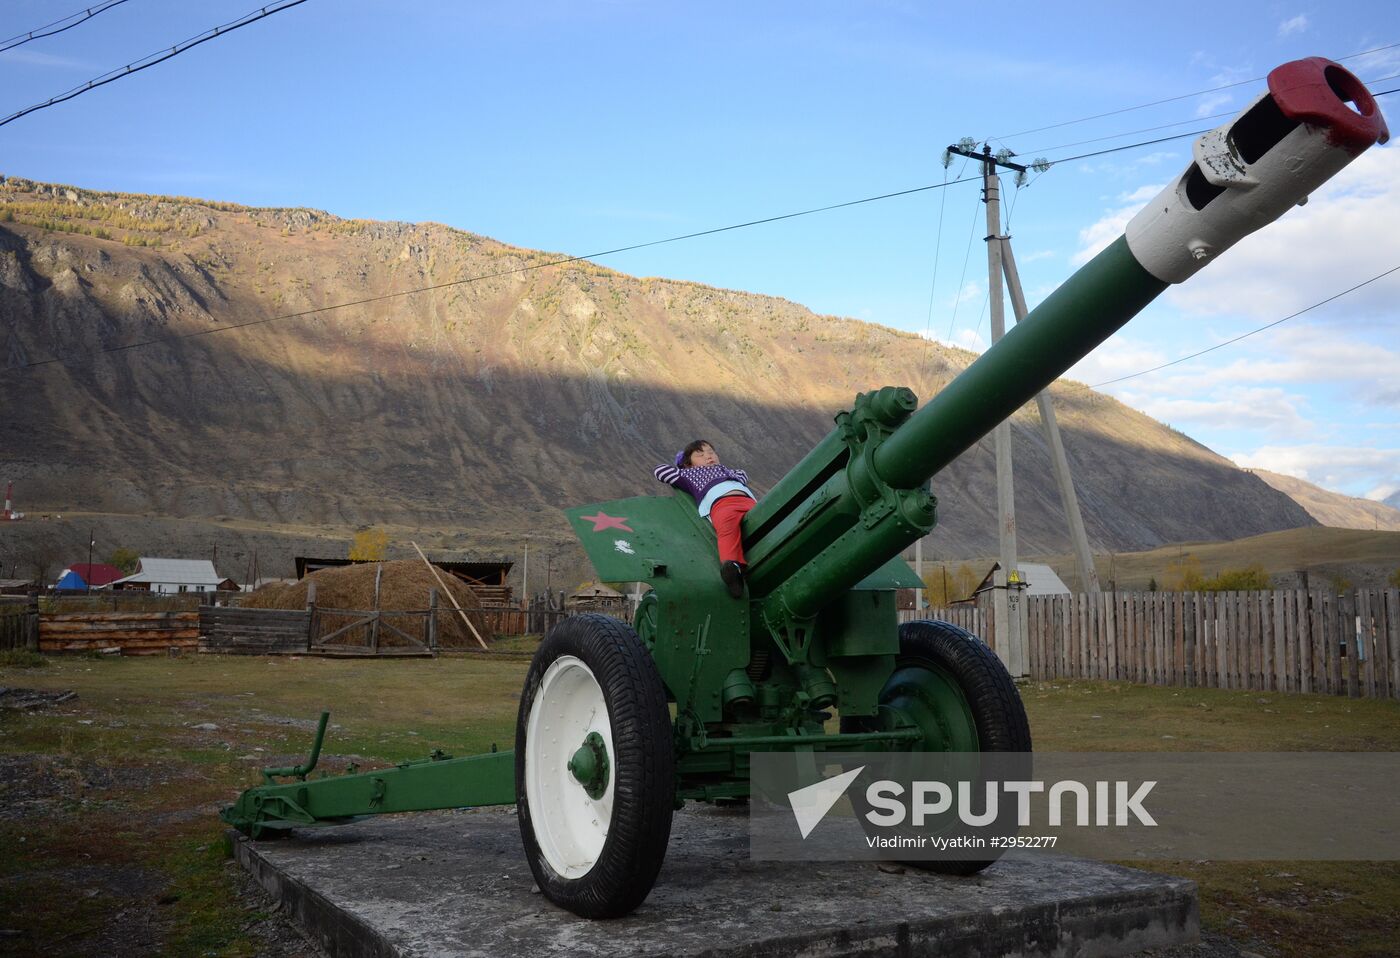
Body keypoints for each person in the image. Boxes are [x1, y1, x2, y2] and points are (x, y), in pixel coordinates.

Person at [653, 440, 755, 599]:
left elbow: (743, 474)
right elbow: (660, 471)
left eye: (711, 452)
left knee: (764, 518)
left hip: (748, 501)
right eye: (700, 455)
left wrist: (734, 474)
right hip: (722, 504)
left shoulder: (730, 472)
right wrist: (681, 468)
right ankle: (732, 568)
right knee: (727, 530)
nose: (708, 456)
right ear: (689, 464)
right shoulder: (689, 474)